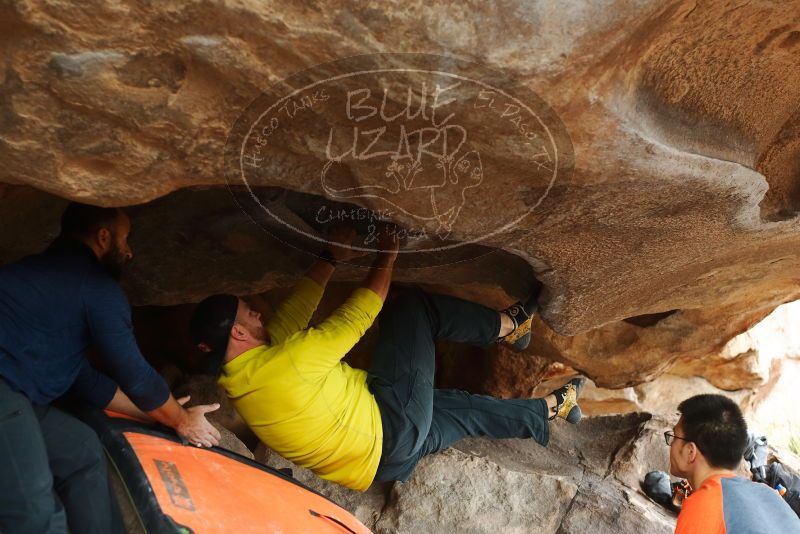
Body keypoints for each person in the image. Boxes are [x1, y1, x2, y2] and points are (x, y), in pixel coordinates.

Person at [190, 225, 585, 491]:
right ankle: (508, 326)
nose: (259, 312)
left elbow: (290, 316)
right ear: (238, 333)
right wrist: (387, 256)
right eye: (248, 312)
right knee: (412, 309)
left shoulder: (245, 377)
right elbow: (362, 310)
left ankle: (551, 409)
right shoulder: (284, 365)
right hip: (391, 425)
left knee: (460, 408)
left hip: (385, 466)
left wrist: (330, 257)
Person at [0, 203, 221, 534]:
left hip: (18, 391)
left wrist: (160, 415)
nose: (129, 252)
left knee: (81, 450)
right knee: (34, 513)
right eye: (126, 239)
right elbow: (135, 374)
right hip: (5, 391)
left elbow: (85, 382)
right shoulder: (95, 287)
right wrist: (181, 420)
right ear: (104, 238)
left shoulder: (44, 282)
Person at [666, 394, 800, 533]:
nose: (671, 444)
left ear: (690, 452)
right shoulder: (769, 494)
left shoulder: (704, 507)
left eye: (674, 437)